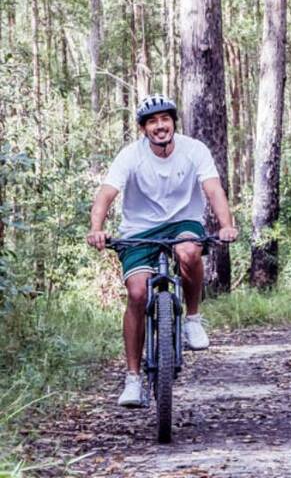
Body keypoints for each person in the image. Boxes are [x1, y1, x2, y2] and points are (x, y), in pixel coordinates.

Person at [86, 94, 238, 408]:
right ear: (144, 129)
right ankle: (133, 379)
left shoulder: (194, 149)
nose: (160, 126)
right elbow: (106, 194)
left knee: (188, 252)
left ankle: (193, 319)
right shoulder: (131, 155)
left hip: (183, 221)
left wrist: (226, 224)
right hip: (139, 229)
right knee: (138, 294)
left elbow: (213, 189)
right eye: (153, 122)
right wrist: (97, 228)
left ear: (173, 122)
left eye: (165, 119)